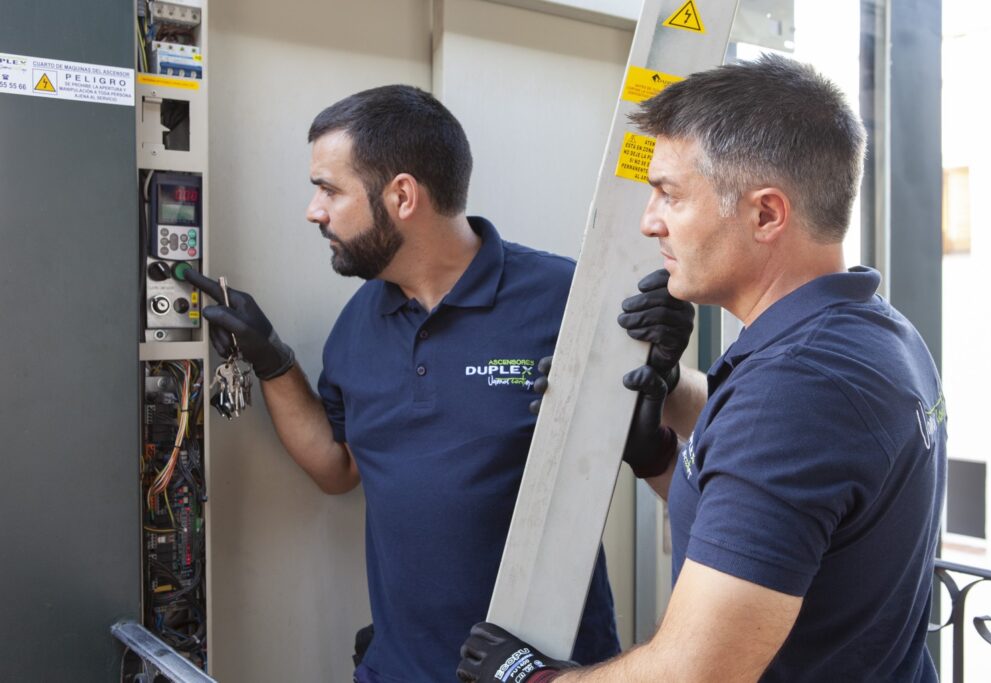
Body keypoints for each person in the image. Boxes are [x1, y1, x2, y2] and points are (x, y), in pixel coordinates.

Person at [457, 54, 947, 683]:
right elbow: (784, 534)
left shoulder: (797, 389)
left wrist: (531, 680)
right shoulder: (875, 331)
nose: (649, 220)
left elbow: (696, 674)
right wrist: (664, 432)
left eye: (670, 194)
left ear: (766, 214)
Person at [185, 85, 693, 682]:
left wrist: (666, 373)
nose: (314, 210)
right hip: (399, 670)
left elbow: (679, 434)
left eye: (329, 189)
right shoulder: (356, 326)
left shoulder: (567, 301)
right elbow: (336, 468)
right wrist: (271, 361)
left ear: (402, 195)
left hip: (550, 672)